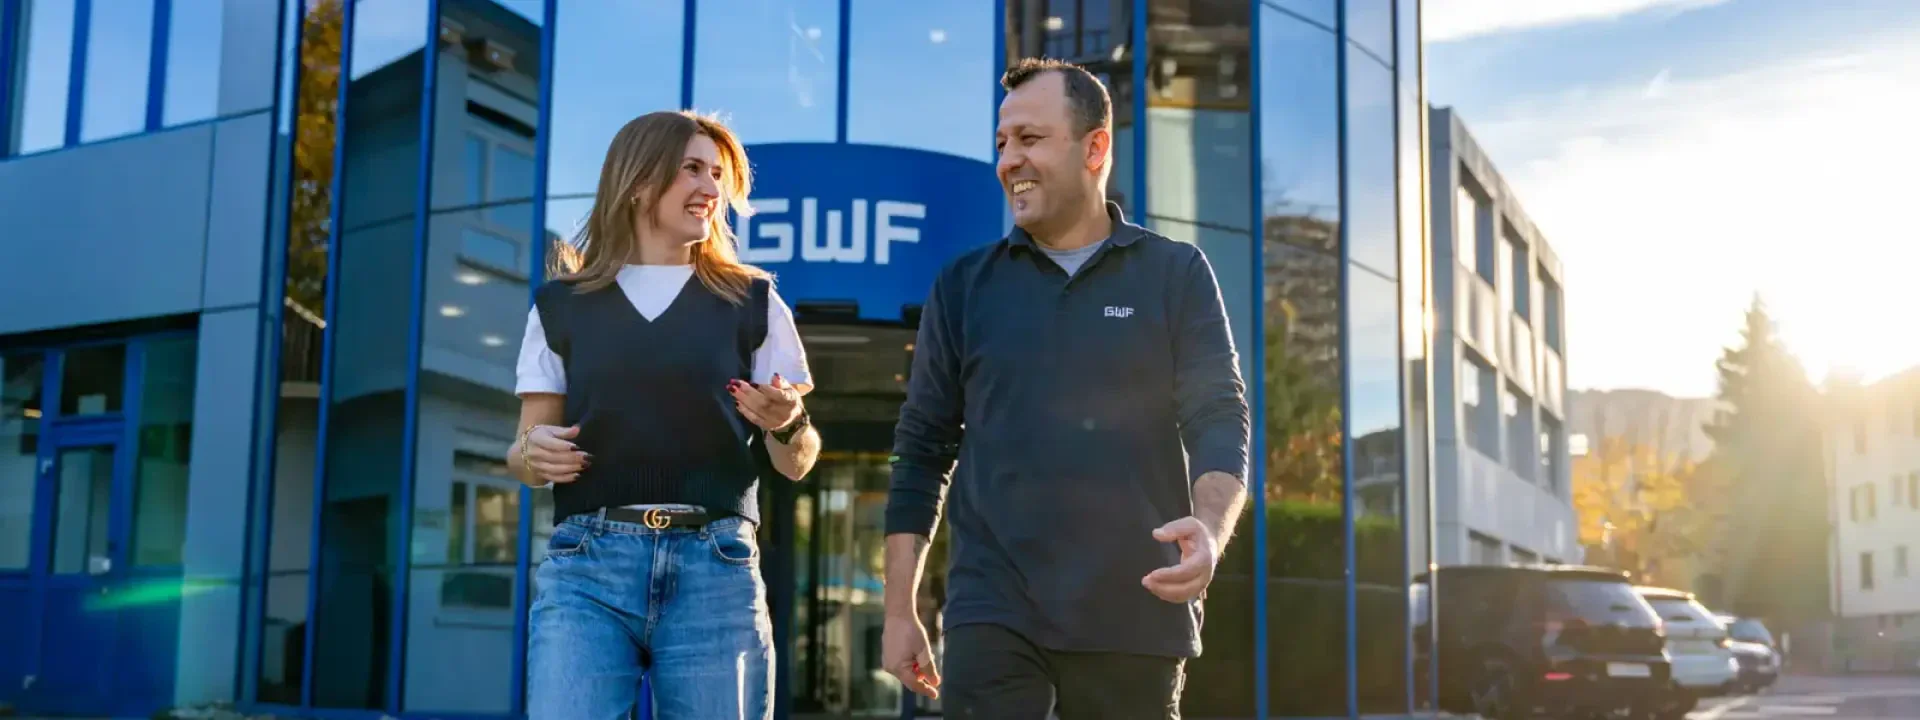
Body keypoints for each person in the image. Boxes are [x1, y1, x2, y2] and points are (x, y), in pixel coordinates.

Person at [880, 58, 1252, 719]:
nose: (1008, 161)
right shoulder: (965, 286)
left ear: (1095, 146)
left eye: (1030, 139)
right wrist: (900, 610)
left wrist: (1212, 530)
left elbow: (1219, 415)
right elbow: (921, 450)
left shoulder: (1175, 274)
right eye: (1001, 143)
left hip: (1138, 605)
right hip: (992, 608)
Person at [509, 110, 821, 720]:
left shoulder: (753, 302)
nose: (711, 189)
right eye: (692, 170)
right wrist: (531, 453)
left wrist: (786, 422)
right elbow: (524, 454)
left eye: (717, 175)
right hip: (586, 570)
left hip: (717, 569)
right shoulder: (561, 306)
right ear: (638, 180)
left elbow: (797, 462)